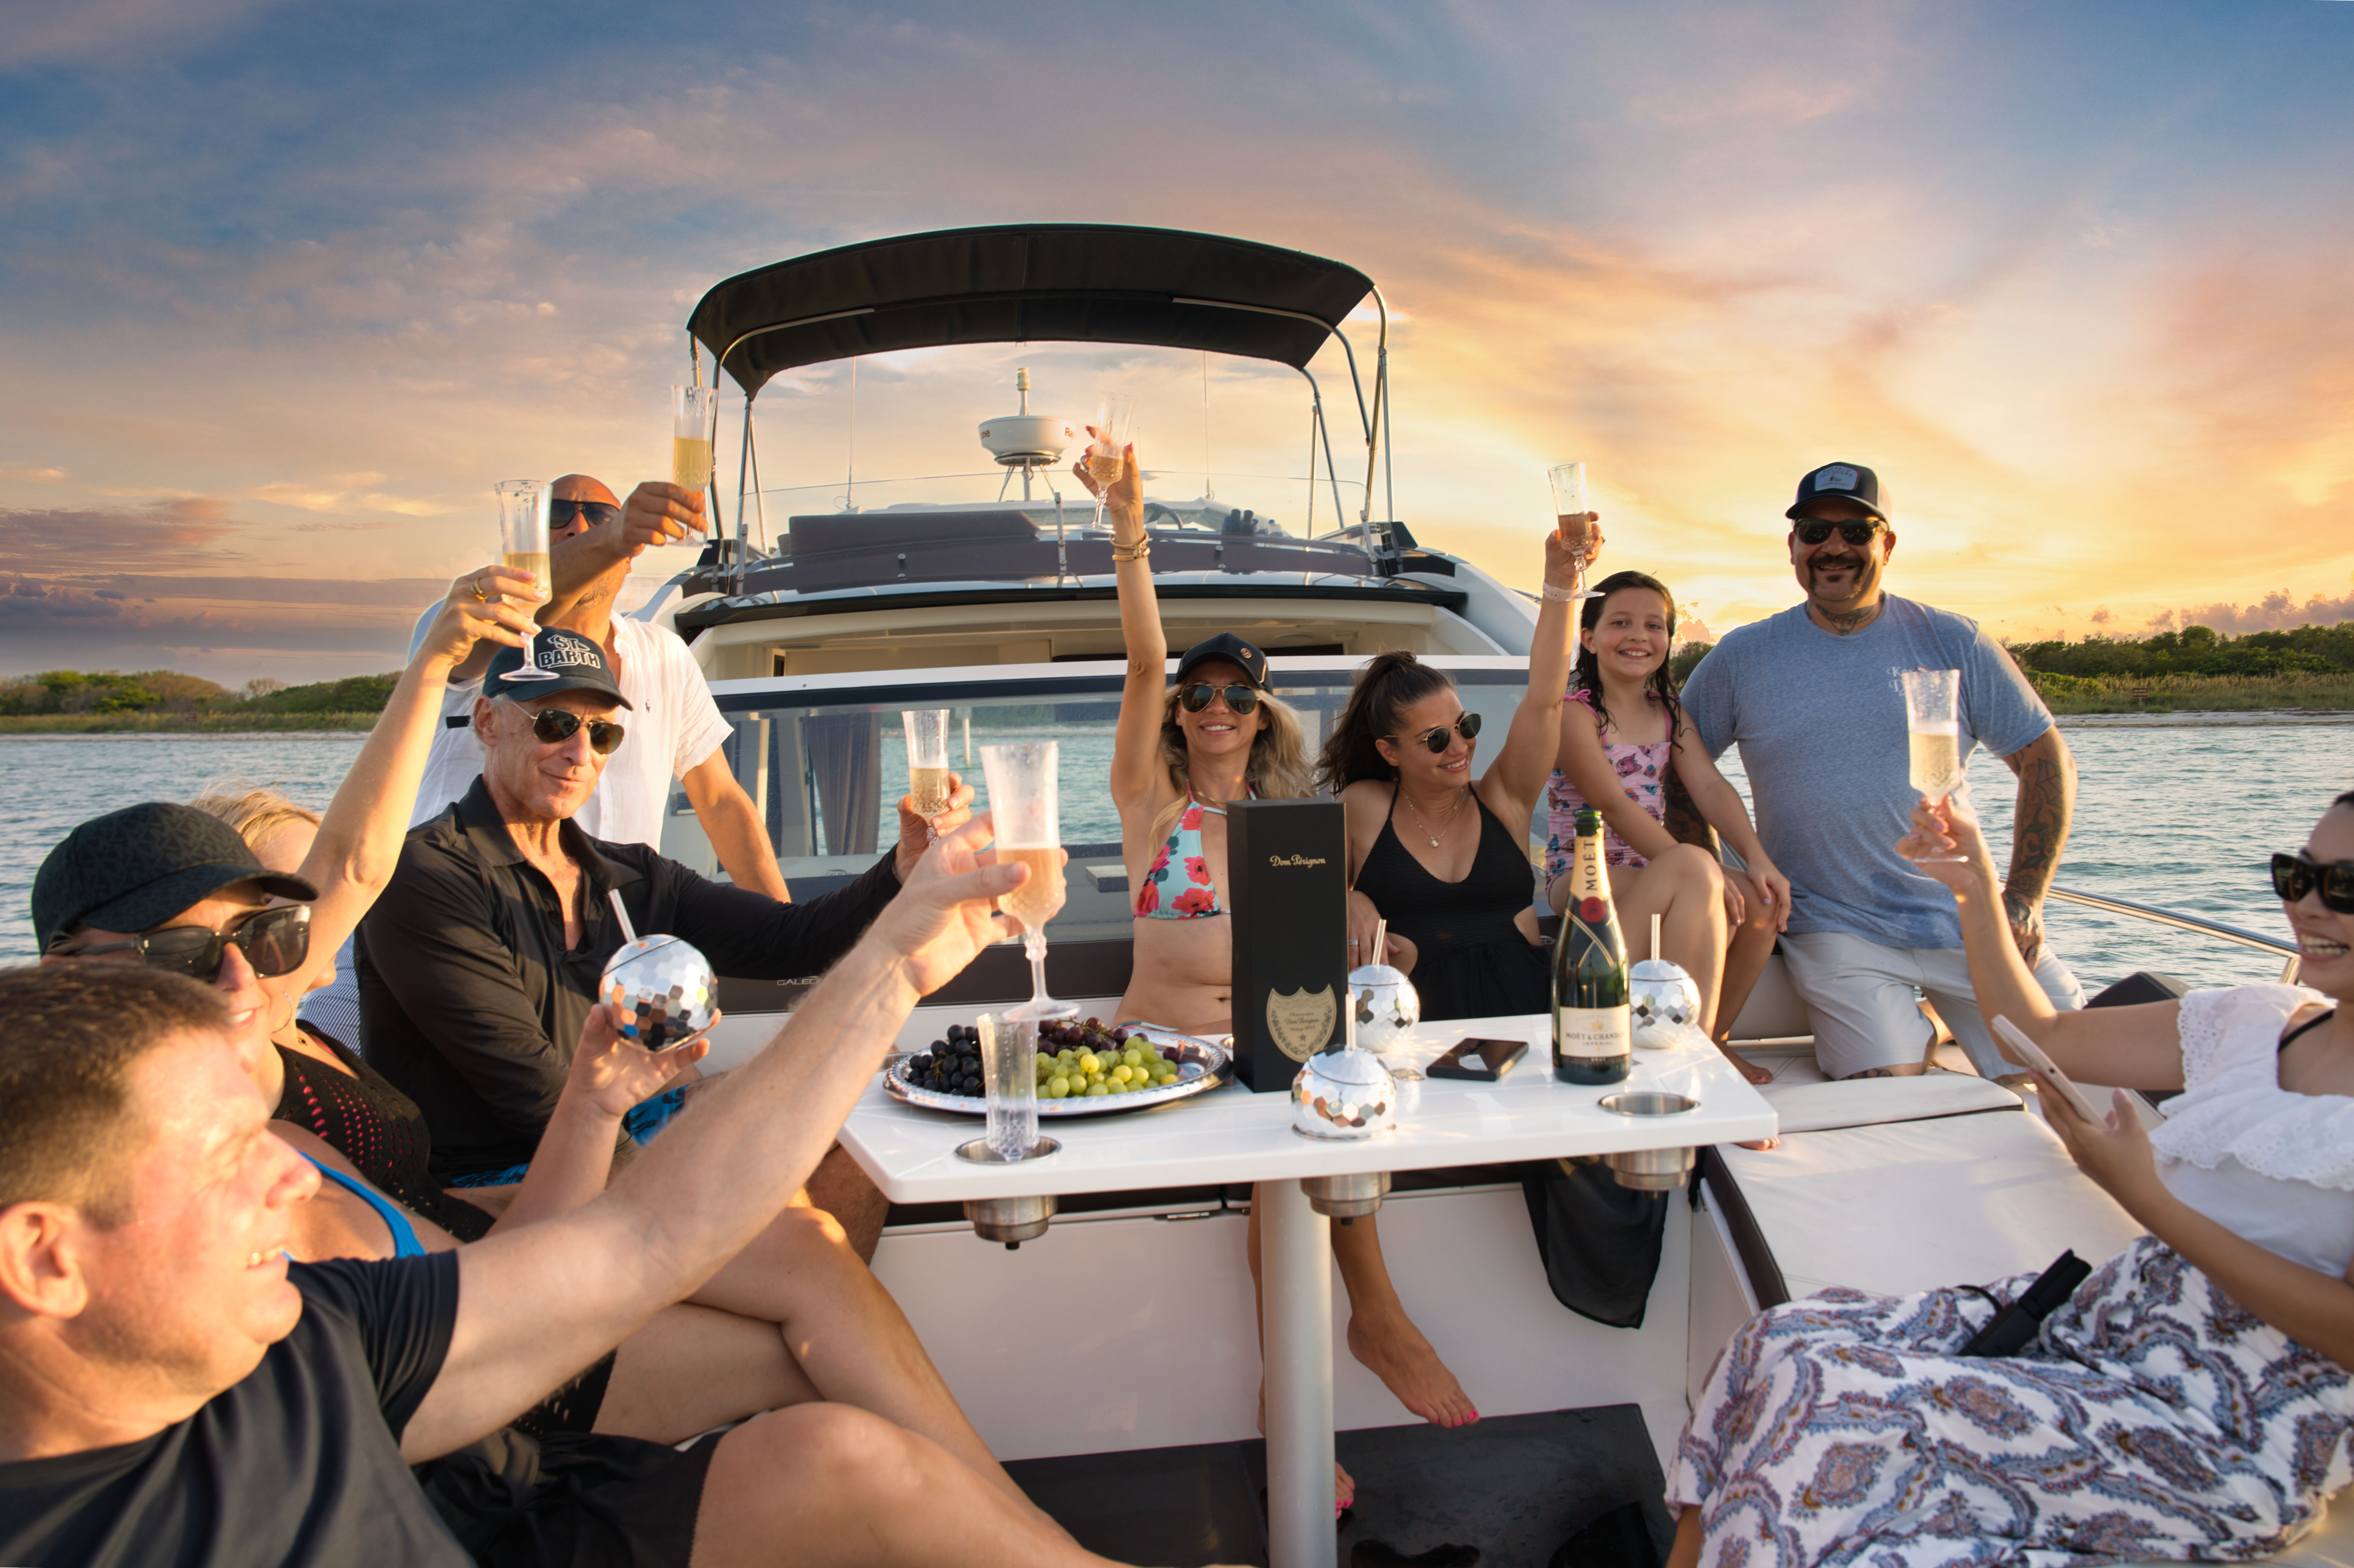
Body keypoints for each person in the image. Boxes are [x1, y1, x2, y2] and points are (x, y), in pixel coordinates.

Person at [1, 823, 1177, 1568]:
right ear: (44, 1257)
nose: (284, 1162)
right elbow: (364, 855)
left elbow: (648, 1232)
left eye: (268, 933)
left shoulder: (313, 1345)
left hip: (514, 1455)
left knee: (839, 1441)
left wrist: (898, 964)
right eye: (223, 1153)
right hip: (498, 1465)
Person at [1662, 789, 2354, 1568]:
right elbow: (2040, 1036)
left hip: (2219, 1423)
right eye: (2296, 876)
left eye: (2345, 888)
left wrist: (2141, 1197)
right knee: (1778, 1343)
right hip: (2092, 1327)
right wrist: (1974, 889)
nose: (2310, 908)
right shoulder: (2257, 1020)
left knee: (1841, 1406)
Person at [1078, 437, 1460, 1504]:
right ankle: (1352, 1343)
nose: (1212, 708)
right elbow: (1142, 660)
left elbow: (1335, 926)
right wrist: (1128, 525)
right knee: (1301, 1144)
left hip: (1264, 1050)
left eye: (1235, 697)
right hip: (1160, 1052)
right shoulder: (1151, 806)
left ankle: (1310, 1379)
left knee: (1322, 1121)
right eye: (1198, 694)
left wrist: (1367, 917)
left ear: (1261, 713)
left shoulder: (1295, 819)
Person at [355, 627, 964, 1240]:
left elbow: (792, 939)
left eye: (601, 734)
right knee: (802, 1237)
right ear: (486, 721)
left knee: (872, 1093)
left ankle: (772, 1292)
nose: (579, 752)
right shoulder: (424, 875)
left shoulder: (627, 874)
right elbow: (534, 1092)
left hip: (631, 1126)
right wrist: (696, 1173)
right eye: (554, 724)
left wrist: (900, 869)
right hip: (505, 1180)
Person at [299, 473, 780, 1047]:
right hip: (446, 935)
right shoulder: (469, 632)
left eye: (597, 515)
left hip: (599, 957)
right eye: (558, 514)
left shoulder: (663, 657)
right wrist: (618, 532)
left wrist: (783, 934)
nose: (577, 526)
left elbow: (723, 803)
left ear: (632, 562)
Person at [1676, 461, 2083, 1080]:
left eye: (1856, 532)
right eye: (1814, 532)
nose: (1832, 547)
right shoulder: (1742, 658)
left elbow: (2043, 760)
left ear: (1886, 545)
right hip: (1833, 927)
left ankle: (1936, 1021)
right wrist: (1718, 880)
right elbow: (1678, 771)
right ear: (1793, 547)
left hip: (1965, 919)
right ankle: (1920, 1028)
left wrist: (2024, 897)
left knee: (2068, 1075)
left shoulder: (1954, 643)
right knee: (1883, 1089)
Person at [1327, 523, 1583, 1021]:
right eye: (1436, 739)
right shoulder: (1363, 806)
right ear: (1389, 752)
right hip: (1416, 1034)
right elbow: (1303, 891)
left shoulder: (1502, 800)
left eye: (1465, 725)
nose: (1461, 746)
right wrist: (1346, 897)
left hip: (1527, 1021)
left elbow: (1546, 698)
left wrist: (1559, 584)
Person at [1545, 569, 1788, 1083]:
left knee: (1761, 901)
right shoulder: (1575, 714)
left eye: (1654, 626)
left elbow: (1711, 789)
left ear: (1668, 641)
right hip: (1582, 876)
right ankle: (1691, 1065)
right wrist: (1701, 868)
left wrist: (1757, 860)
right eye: (1620, 623)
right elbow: (1611, 803)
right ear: (1588, 638)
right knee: (1695, 868)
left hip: (1655, 867)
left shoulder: (1669, 713)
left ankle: (1711, 1040)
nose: (1638, 636)